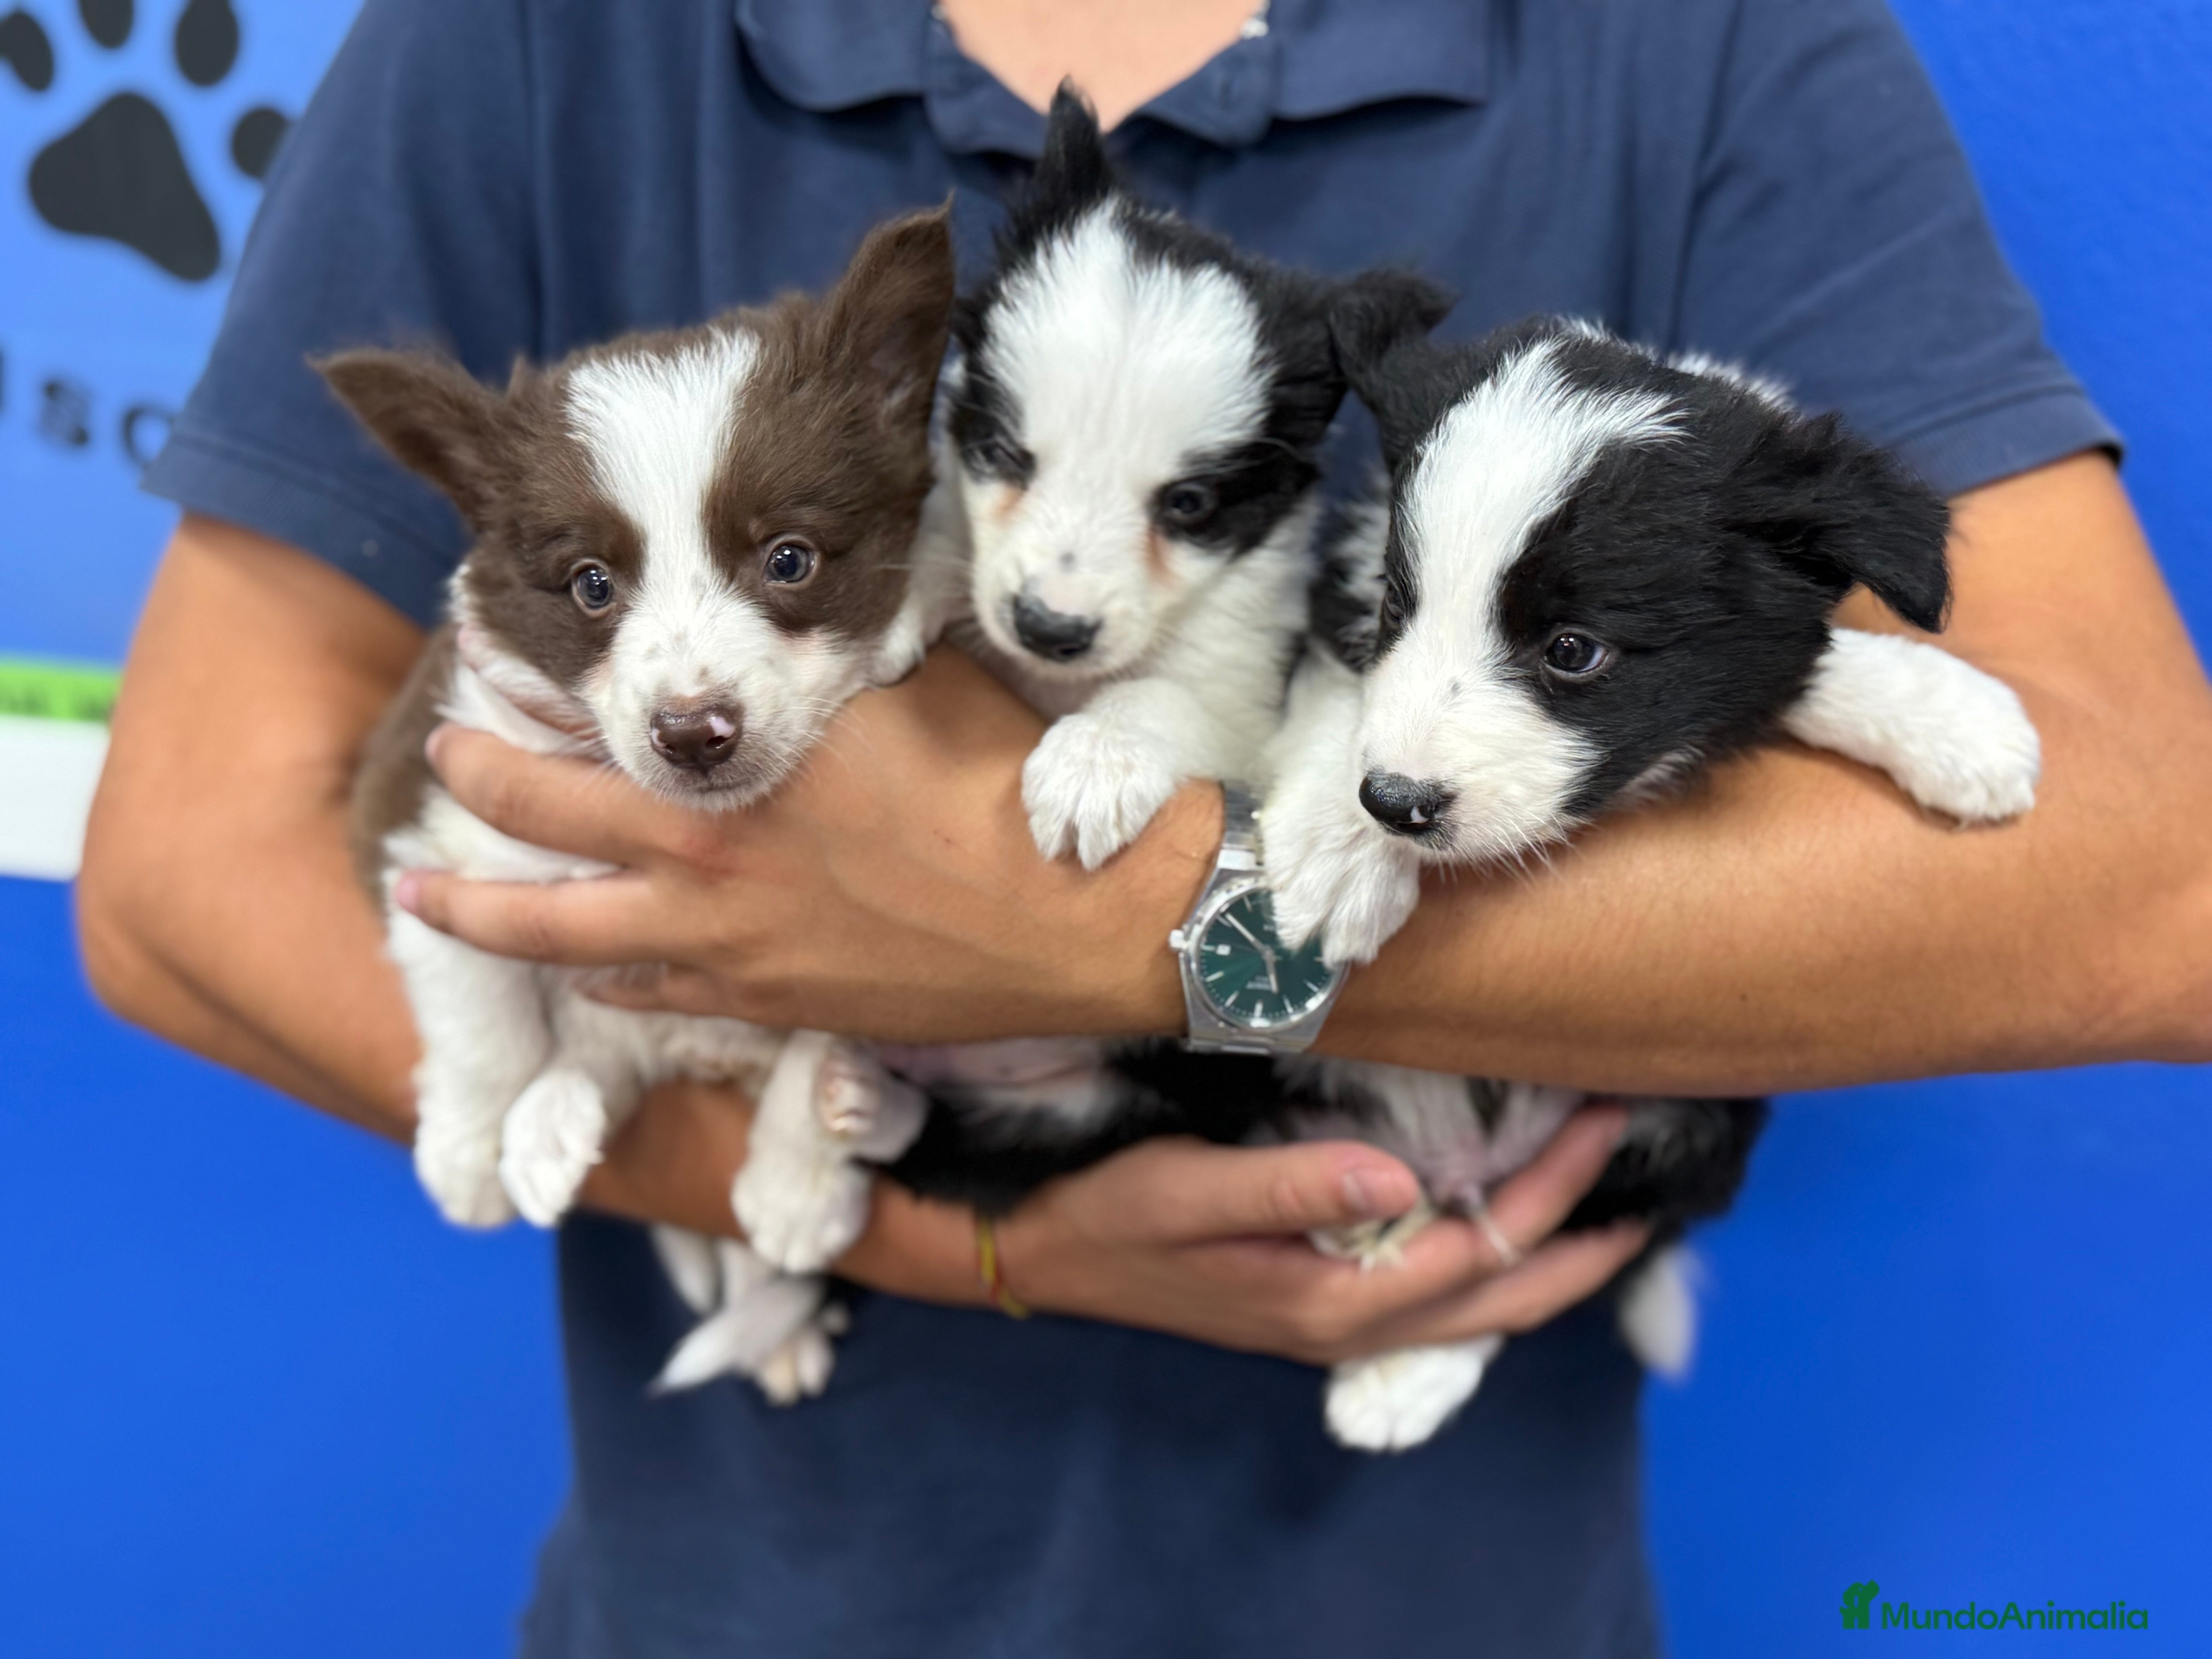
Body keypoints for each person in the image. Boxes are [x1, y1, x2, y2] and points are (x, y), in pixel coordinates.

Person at [76, 0, 2212, 1652]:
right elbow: (180, 878)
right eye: (988, 462)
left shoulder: (1697, 45)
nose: (1060, 589)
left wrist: (1162, 947)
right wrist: (956, 1235)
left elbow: (2154, 887)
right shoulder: (543, 37)